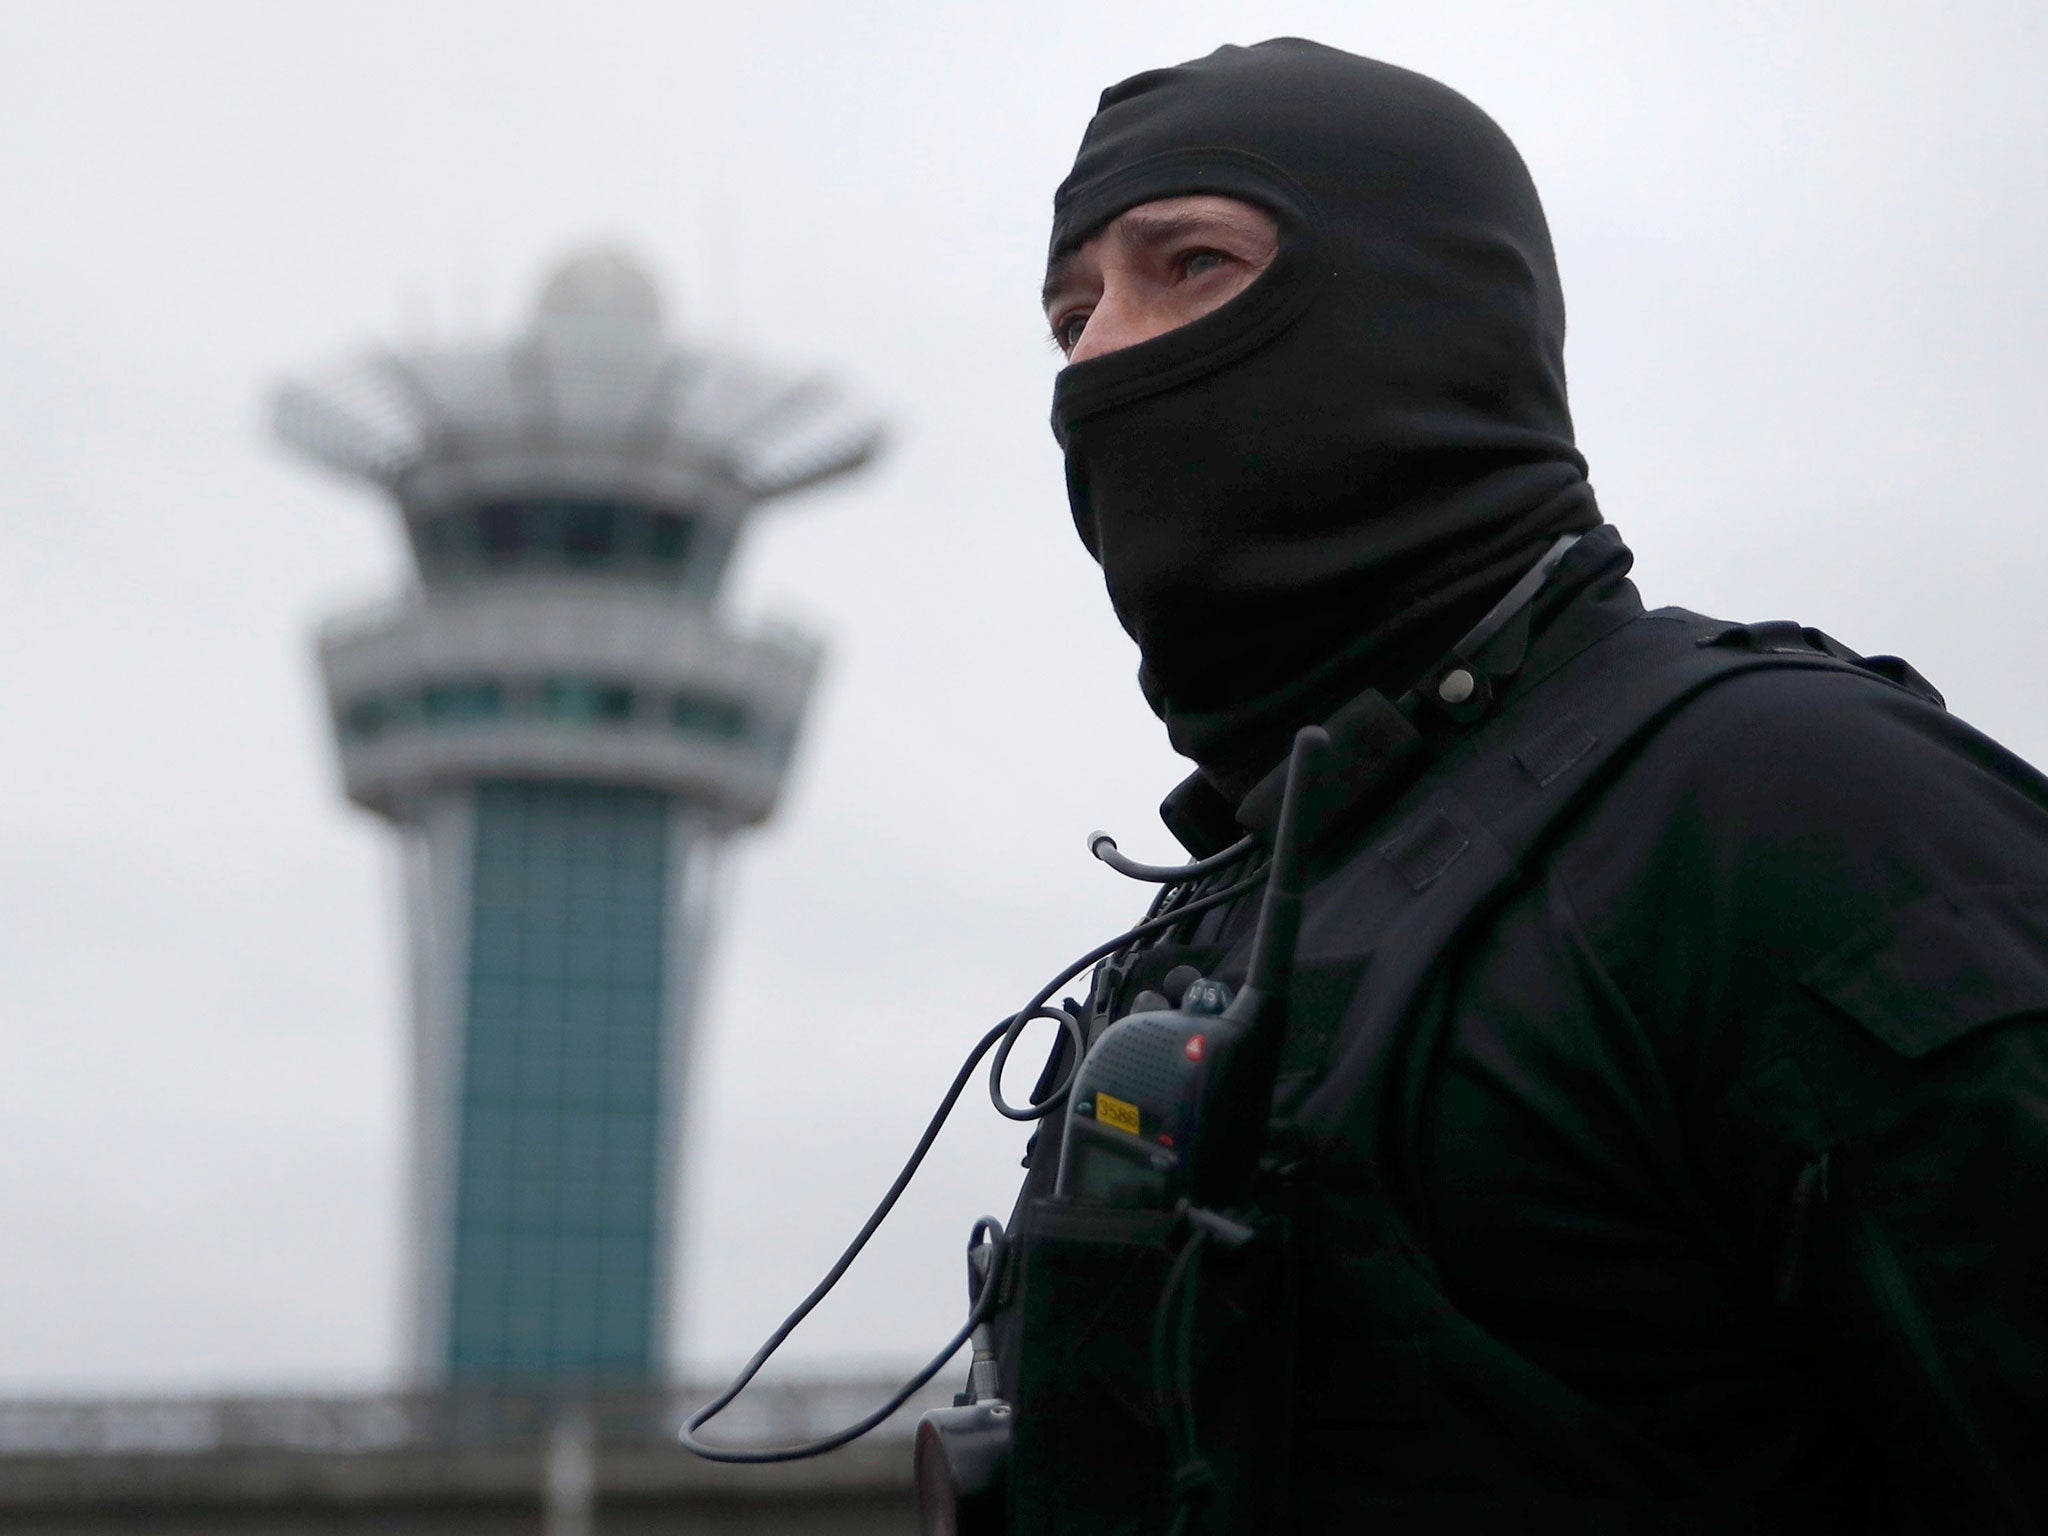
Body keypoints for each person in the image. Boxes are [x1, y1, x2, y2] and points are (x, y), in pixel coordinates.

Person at [992, 37, 2048, 1534]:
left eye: (1193, 264)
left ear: (1425, 309)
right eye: (1071, 313)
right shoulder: (1201, 945)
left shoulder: (1788, 813)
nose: (1100, 357)